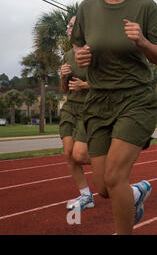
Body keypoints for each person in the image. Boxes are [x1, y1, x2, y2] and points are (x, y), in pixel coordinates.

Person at [71, 0, 157, 234]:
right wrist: (80, 54)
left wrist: (142, 41)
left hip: (136, 100)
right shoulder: (87, 8)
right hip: (99, 102)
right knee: (103, 187)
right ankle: (137, 193)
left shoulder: (144, 6)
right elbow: (78, 43)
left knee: (114, 177)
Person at [59, 15, 94, 211]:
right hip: (70, 108)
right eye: (69, 25)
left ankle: (114, 169)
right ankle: (86, 196)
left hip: (89, 108)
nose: (69, 28)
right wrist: (63, 76)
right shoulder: (66, 56)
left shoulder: (92, 53)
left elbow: (105, 83)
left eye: (73, 25)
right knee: (68, 154)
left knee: (80, 155)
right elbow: (65, 89)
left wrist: (84, 85)